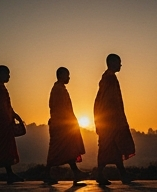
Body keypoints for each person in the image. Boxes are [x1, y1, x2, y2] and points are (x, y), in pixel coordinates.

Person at [93, 54, 134, 184]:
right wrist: (112, 119)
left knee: (115, 148)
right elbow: (108, 101)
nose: (120, 65)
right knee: (106, 147)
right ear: (112, 63)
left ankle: (123, 174)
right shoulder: (109, 79)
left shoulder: (108, 78)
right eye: (118, 62)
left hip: (110, 119)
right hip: (110, 121)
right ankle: (100, 174)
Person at [45, 67, 86, 185]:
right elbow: (59, 109)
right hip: (60, 125)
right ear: (61, 75)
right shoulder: (58, 90)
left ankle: (76, 173)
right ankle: (46, 174)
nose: (69, 78)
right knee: (55, 151)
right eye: (67, 75)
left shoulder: (60, 89)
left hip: (63, 124)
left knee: (69, 148)